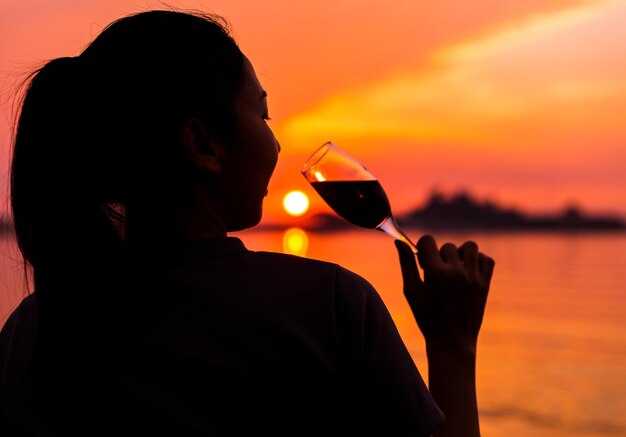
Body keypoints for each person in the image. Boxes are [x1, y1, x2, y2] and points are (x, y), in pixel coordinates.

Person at [0, 9, 495, 437]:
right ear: (202, 145)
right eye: (263, 114)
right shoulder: (333, 308)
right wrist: (452, 344)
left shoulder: (30, 330)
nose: (276, 144)